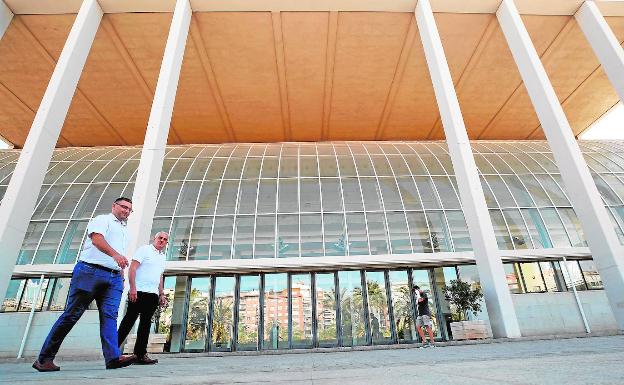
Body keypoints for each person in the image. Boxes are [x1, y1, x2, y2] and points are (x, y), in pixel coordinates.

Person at [33, 197, 136, 371]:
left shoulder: (125, 230)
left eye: (129, 209)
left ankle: (113, 358)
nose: (126, 211)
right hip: (90, 272)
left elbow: (119, 258)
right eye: (123, 207)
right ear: (114, 206)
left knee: (110, 316)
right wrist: (115, 254)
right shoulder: (102, 220)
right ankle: (44, 359)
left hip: (113, 279)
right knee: (71, 315)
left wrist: (121, 275)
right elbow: (97, 240)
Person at [117, 232, 169, 365]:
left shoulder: (163, 257)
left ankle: (140, 354)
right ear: (154, 239)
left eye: (165, 239)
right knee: (128, 321)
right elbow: (132, 269)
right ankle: (111, 351)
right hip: (138, 291)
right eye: (160, 238)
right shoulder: (144, 250)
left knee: (145, 324)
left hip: (152, 295)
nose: (162, 241)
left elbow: (160, 276)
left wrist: (161, 293)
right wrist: (132, 288)